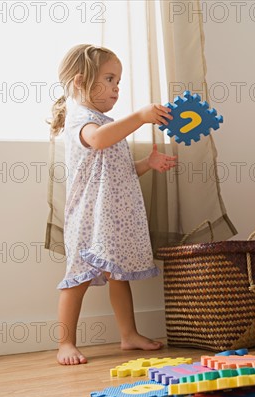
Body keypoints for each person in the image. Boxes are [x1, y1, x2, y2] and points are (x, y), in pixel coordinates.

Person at [48, 44, 176, 365]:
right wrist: (140, 116)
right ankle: (65, 343)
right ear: (81, 82)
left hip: (111, 218)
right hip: (89, 218)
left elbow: (118, 169)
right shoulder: (83, 119)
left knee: (119, 276)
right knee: (76, 279)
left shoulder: (105, 121)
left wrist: (147, 162)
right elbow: (98, 140)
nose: (117, 87)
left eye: (119, 80)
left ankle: (128, 334)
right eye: (110, 79)